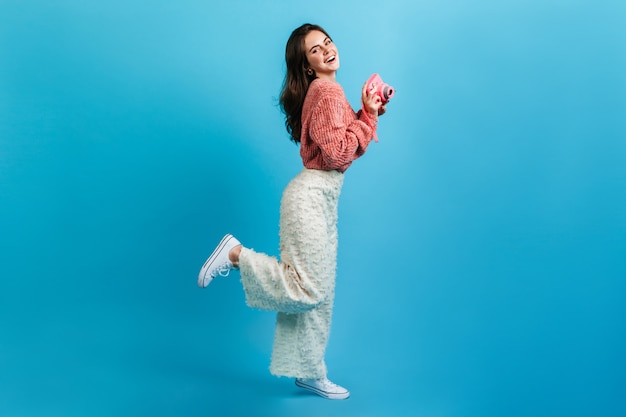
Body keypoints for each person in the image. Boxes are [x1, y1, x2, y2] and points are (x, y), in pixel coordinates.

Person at [197, 23, 386, 400]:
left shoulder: (327, 92)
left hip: (320, 197)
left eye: (328, 42)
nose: (327, 50)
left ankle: (310, 371)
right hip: (310, 197)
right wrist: (365, 123)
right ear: (307, 65)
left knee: (322, 294)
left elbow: (344, 143)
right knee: (309, 289)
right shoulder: (328, 90)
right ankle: (235, 254)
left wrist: (367, 112)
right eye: (316, 50)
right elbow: (337, 155)